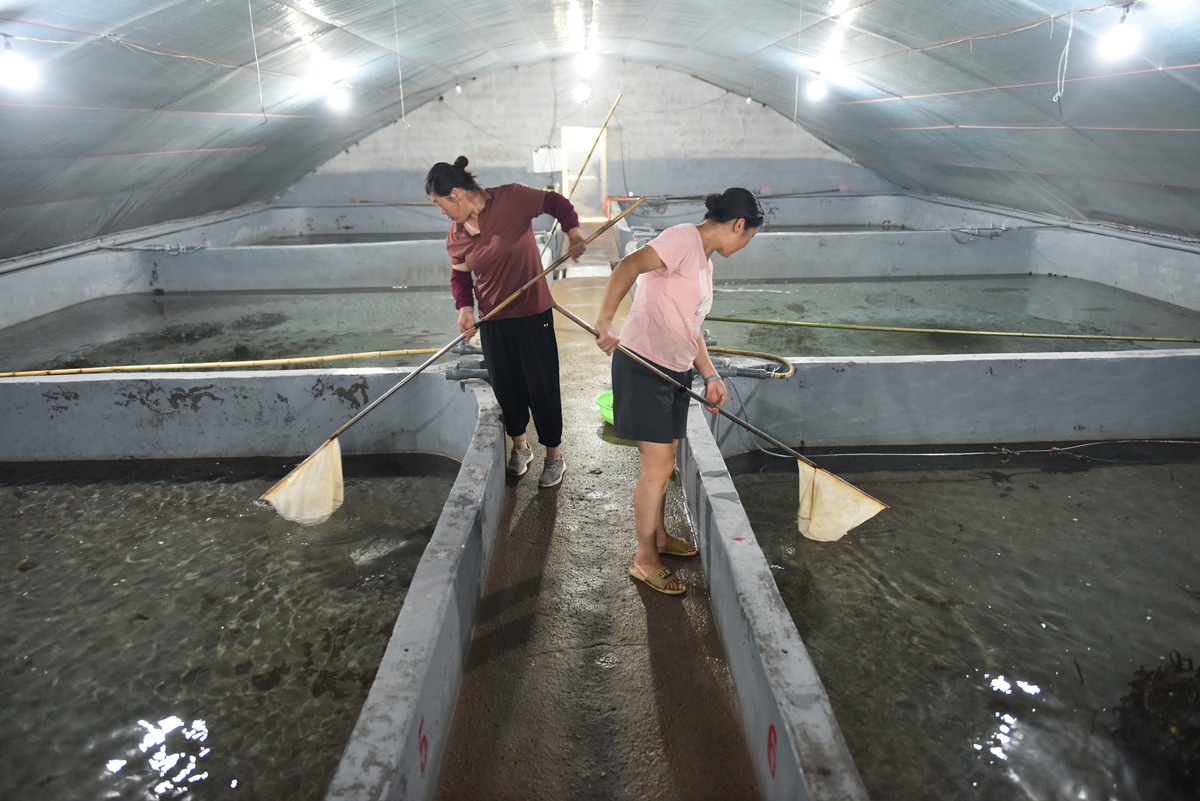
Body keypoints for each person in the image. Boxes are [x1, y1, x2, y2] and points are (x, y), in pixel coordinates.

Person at [594, 188, 764, 595]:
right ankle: (644, 558)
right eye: (748, 237)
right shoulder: (682, 239)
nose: (744, 245)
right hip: (643, 366)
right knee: (656, 470)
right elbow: (628, 266)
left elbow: (692, 326)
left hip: (675, 371)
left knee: (665, 464)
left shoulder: (704, 262)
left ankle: (661, 538)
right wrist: (605, 321)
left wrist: (710, 375)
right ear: (739, 225)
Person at [426, 156, 585, 488]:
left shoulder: (512, 198)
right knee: (507, 386)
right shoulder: (455, 238)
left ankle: (554, 456)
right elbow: (460, 277)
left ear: (456, 194)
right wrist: (465, 308)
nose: (442, 213)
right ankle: (521, 448)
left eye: (441, 205)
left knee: (541, 385)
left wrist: (573, 233)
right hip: (494, 320)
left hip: (532, 313)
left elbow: (556, 203)